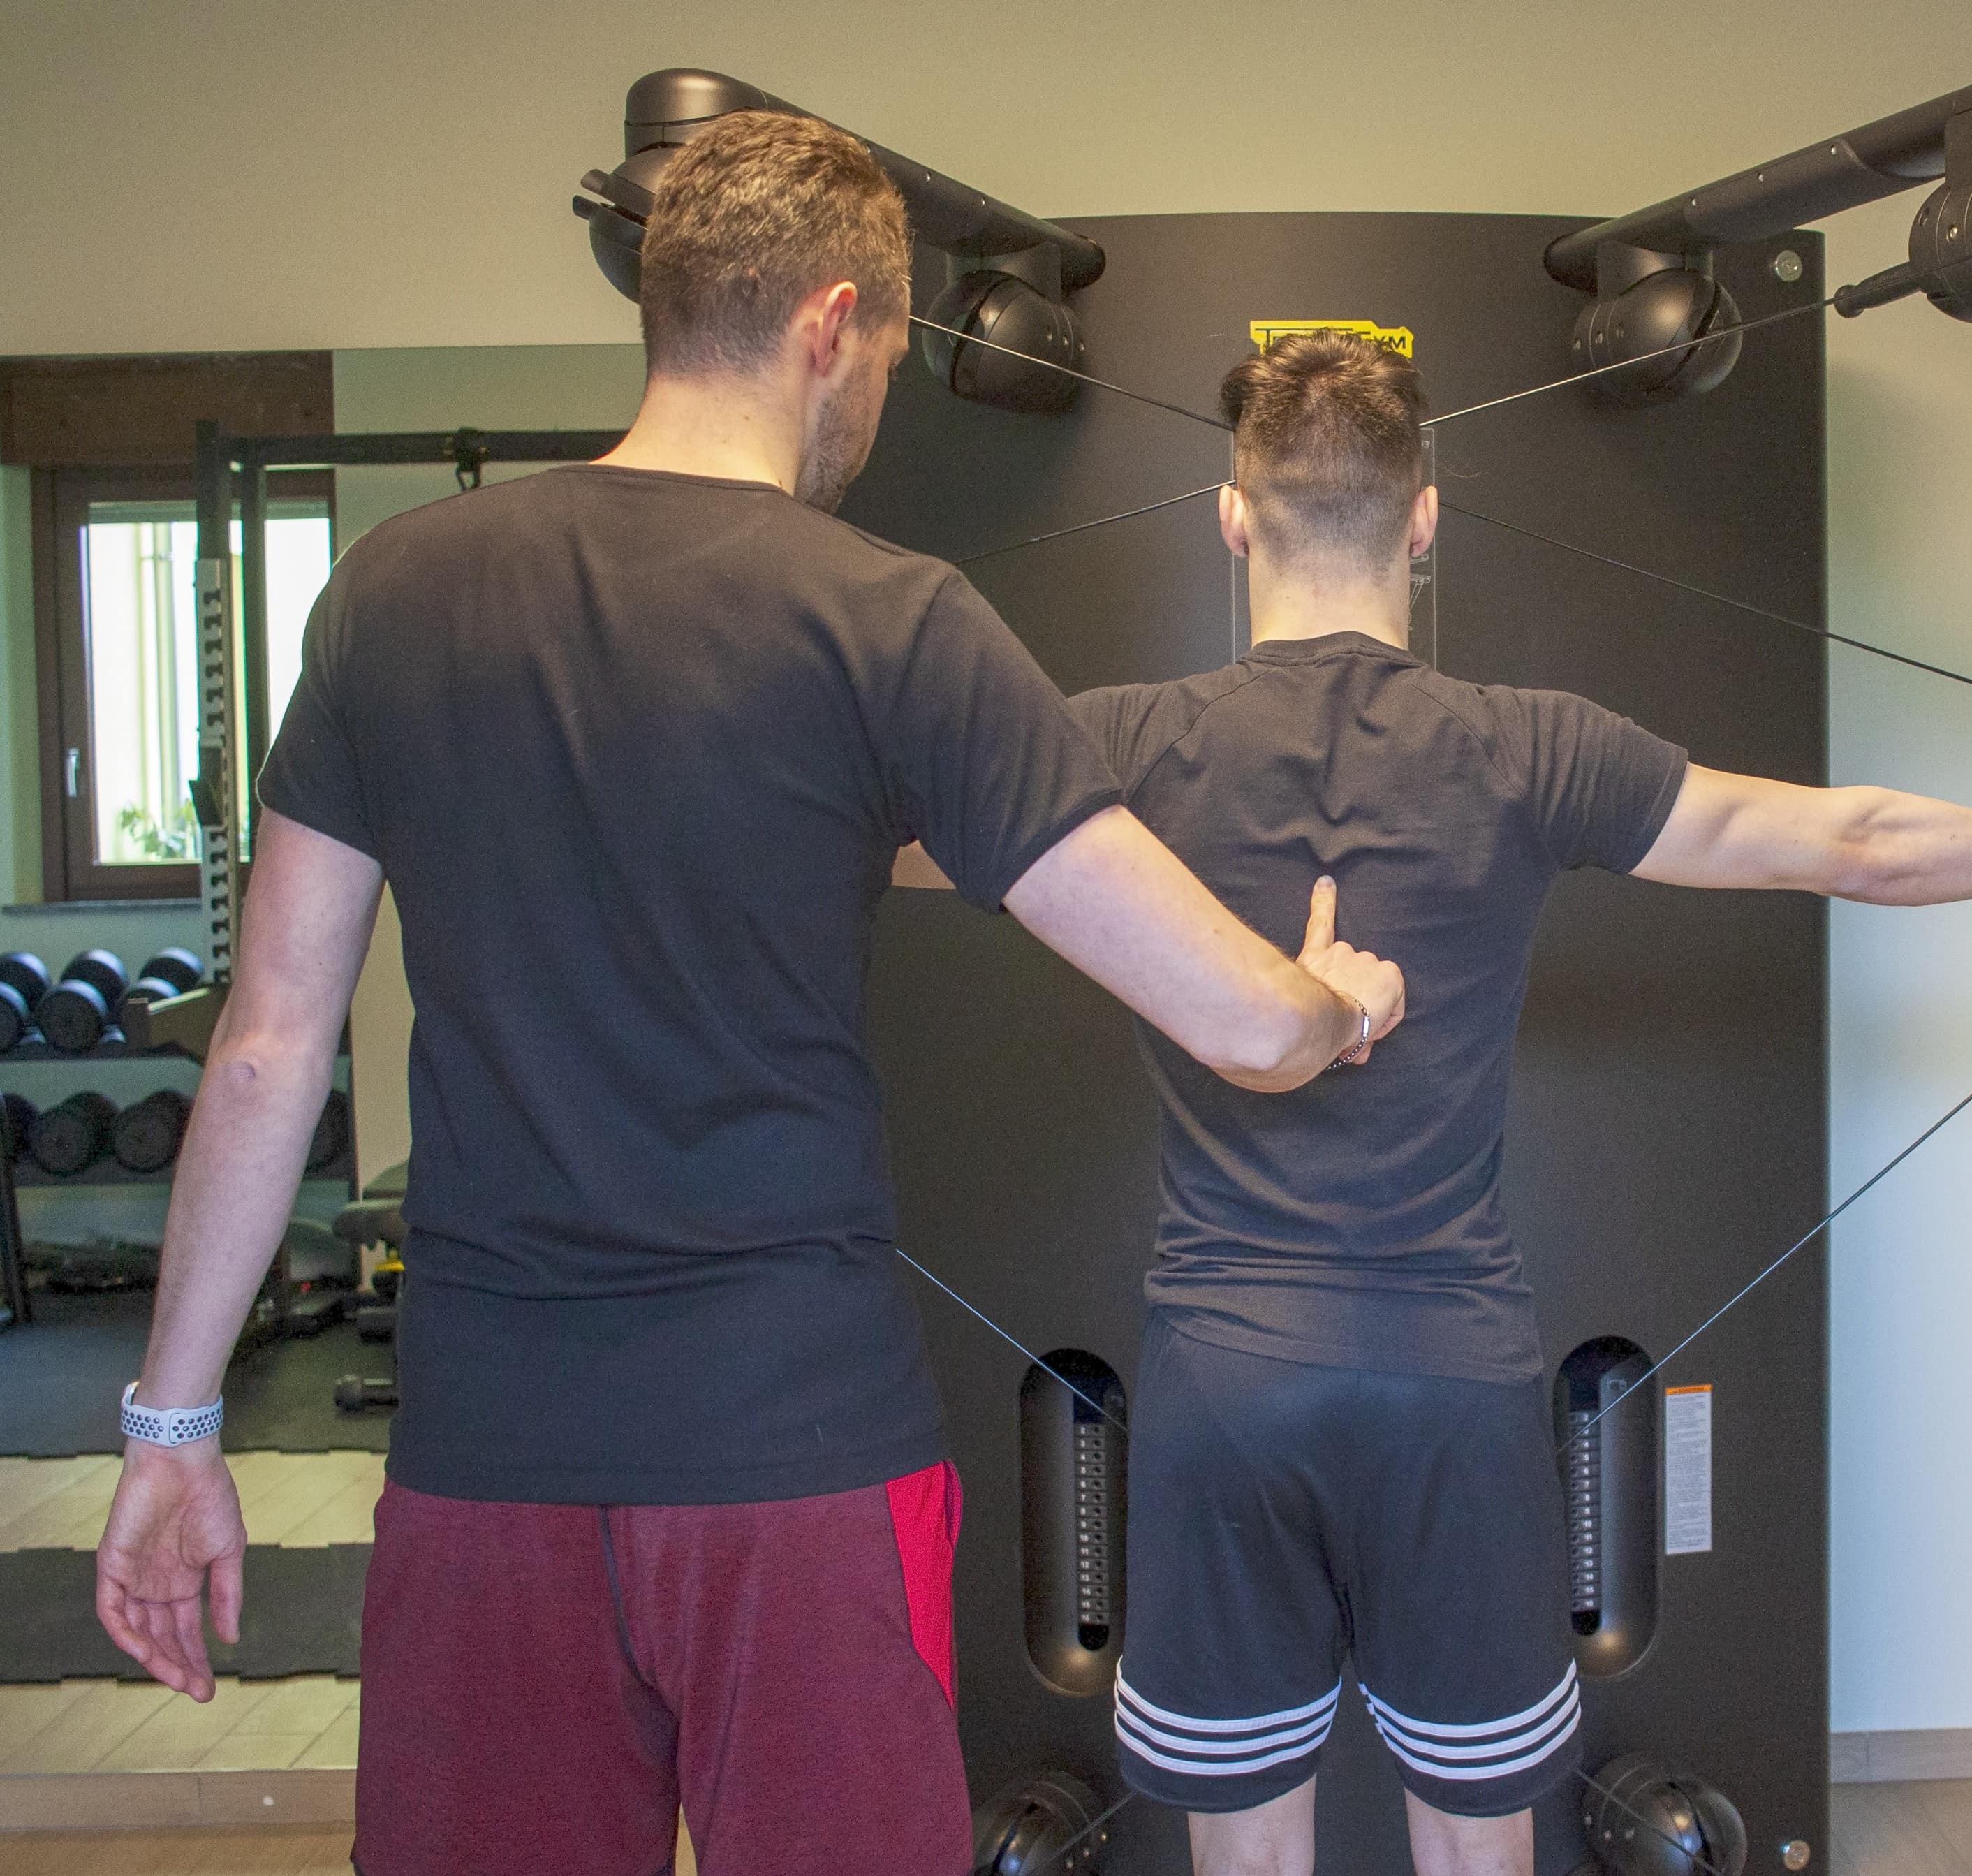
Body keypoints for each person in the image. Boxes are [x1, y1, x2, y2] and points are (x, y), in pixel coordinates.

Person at [90, 115, 1402, 1876]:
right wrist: (1333, 997)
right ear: (829, 325)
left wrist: (175, 1426)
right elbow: (1240, 1020)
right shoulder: (893, 620)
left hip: (486, 1457)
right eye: (884, 358)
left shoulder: (395, 589)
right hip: (798, 1459)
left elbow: (263, 1047)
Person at [905, 331, 1972, 1876]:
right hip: (1452, 1383)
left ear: (1228, 517)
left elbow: (872, 837)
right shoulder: (1524, 744)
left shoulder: (1116, 745)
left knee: (1245, 1857)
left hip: (1223, 1389)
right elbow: (1843, 839)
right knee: (1476, 1842)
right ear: (1424, 519)